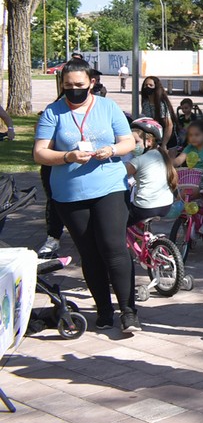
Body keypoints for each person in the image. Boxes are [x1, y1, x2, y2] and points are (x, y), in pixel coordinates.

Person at [33, 59, 139, 332]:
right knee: (89, 254)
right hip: (69, 194)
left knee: (113, 248)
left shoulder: (108, 106)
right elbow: (40, 153)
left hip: (109, 187)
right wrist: (67, 156)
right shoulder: (52, 112)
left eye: (79, 85)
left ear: (91, 82)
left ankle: (129, 311)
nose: (73, 90)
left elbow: (128, 141)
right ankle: (104, 311)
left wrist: (113, 150)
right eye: (68, 85)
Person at [125, 118, 177, 225]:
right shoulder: (161, 154)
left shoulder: (138, 160)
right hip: (166, 205)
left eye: (136, 142)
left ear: (148, 141)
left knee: (117, 224)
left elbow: (118, 175)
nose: (132, 146)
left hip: (145, 208)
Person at [139, 76, 176, 149]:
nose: (147, 87)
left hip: (167, 140)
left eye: (150, 85)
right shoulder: (145, 103)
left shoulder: (161, 104)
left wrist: (164, 144)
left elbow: (169, 125)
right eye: (146, 85)